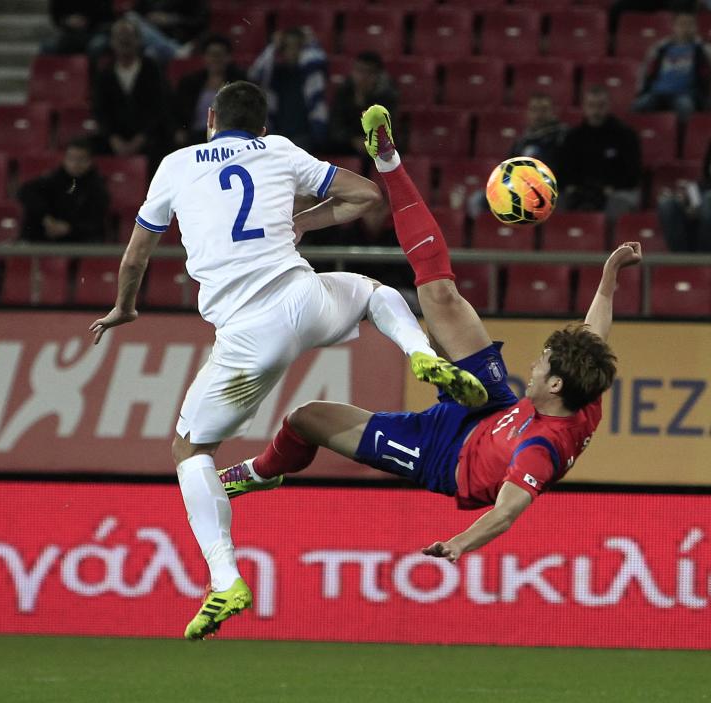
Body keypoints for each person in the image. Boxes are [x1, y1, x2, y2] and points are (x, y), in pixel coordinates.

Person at [87, 82, 487, 640]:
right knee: (372, 292)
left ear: (210, 120)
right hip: (304, 298)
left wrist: (124, 308)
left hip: (248, 333)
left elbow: (135, 257)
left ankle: (225, 578)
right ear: (261, 125)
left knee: (191, 448)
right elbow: (367, 196)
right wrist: (304, 223)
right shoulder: (278, 150)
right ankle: (420, 353)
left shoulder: (176, 165)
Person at [215, 105, 642, 624]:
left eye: (541, 363)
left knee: (306, 420)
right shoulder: (581, 394)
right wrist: (609, 277)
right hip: (489, 410)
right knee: (439, 296)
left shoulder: (541, 450)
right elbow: (594, 334)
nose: (532, 364)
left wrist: (461, 543)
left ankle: (262, 474)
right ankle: (389, 159)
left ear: (554, 384)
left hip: (441, 456)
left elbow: (507, 511)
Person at [92, 17, 172, 167]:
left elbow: (159, 106)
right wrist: (114, 139)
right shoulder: (104, 73)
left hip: (148, 136)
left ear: (138, 40)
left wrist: (140, 139)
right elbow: (100, 110)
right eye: (119, 37)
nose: (124, 41)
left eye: (128, 36)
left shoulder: (152, 69)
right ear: (111, 42)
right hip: (115, 138)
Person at [556, 85, 642, 222]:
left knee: (617, 205)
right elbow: (563, 170)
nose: (596, 111)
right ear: (584, 107)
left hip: (617, 190)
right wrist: (573, 186)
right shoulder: (573, 137)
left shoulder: (625, 135)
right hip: (580, 189)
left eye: (600, 106)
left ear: (608, 106)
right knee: (553, 203)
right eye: (591, 105)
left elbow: (633, 173)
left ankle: (610, 242)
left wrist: (611, 187)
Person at [632, 2, 711, 121]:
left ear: (696, 27)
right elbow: (644, 71)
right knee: (638, 106)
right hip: (658, 92)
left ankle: (682, 139)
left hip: (686, 94)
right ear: (674, 26)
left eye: (690, 24)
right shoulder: (661, 47)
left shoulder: (704, 49)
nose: (686, 28)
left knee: (685, 107)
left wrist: (709, 102)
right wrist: (641, 92)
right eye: (682, 24)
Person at [248, 27, 328, 152]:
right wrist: (273, 46)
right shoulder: (275, 73)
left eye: (297, 46)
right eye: (287, 47)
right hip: (277, 131)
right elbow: (255, 74)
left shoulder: (311, 73)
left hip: (303, 133)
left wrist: (311, 43)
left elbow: (320, 61)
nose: (292, 51)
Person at [17, 137, 110, 244]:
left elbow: (94, 221)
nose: (75, 164)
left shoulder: (97, 187)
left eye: (81, 159)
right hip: (46, 237)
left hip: (79, 241)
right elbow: (25, 191)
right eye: (71, 158)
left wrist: (69, 228)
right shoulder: (53, 179)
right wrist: (47, 219)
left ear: (90, 161)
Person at [659, 146, 711, 253]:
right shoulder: (698, 187)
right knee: (667, 203)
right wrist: (686, 207)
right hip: (695, 240)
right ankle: (680, 261)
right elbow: (691, 212)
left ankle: (706, 261)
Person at [173, 34, 246, 147]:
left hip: (229, 138)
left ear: (228, 57)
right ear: (204, 57)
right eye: (212, 54)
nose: (216, 59)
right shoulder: (189, 82)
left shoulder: (239, 83)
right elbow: (178, 112)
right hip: (195, 137)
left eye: (220, 55)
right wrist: (180, 131)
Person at [328, 52, 397, 157]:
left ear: (378, 75)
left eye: (369, 72)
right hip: (346, 146)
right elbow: (335, 127)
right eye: (359, 71)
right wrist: (352, 140)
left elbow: (387, 131)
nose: (363, 77)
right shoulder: (343, 93)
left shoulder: (387, 98)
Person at [508, 93, 566, 175]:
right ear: (528, 112)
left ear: (552, 111)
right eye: (534, 109)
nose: (538, 115)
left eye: (544, 109)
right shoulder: (521, 142)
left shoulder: (562, 138)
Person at [43, 0, 114, 56]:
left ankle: (95, 73)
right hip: (68, 32)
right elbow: (56, 15)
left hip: (95, 31)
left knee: (97, 46)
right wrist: (67, 21)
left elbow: (108, 16)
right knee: (48, 46)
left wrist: (88, 21)